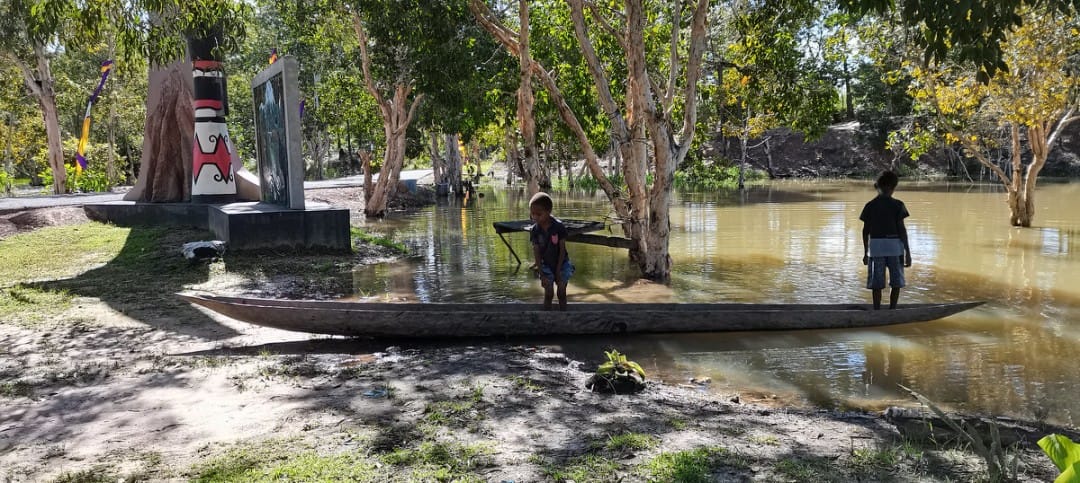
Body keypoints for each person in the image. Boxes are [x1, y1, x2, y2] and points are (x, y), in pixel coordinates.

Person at [860, 171, 912, 310]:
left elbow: (865, 231)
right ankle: (892, 309)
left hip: (875, 249)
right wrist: (908, 252)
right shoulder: (898, 205)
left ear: (878, 186)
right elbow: (902, 230)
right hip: (895, 247)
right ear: (893, 187)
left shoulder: (870, 205)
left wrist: (865, 252)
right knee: (896, 282)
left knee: (876, 283)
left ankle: (877, 310)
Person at [529, 192, 573, 310]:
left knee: (561, 292)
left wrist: (558, 271)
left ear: (548, 212)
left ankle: (565, 315)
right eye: (533, 214)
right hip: (545, 264)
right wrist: (541, 273)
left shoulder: (558, 227)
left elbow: (562, 250)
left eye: (539, 214)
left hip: (561, 263)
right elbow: (537, 253)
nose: (535, 217)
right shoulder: (535, 230)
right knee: (549, 293)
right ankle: (546, 317)